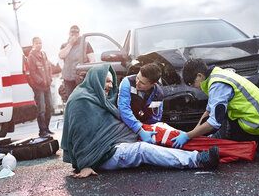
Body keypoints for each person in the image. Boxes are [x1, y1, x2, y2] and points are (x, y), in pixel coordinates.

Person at [61, 64, 220, 179]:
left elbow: (154, 118)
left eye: (111, 81)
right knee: (142, 150)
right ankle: (196, 160)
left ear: (153, 84)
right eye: (107, 81)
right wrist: (85, 164)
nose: (110, 85)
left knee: (162, 132)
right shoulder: (80, 101)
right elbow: (77, 135)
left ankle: (211, 146)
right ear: (95, 80)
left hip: (115, 142)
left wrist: (149, 129)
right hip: (101, 155)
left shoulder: (100, 99)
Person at [171, 58, 259, 149]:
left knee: (227, 144)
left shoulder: (217, 85)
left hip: (256, 122)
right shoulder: (216, 74)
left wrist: (188, 136)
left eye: (192, 83)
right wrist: (194, 132)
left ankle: (251, 141)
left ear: (199, 75)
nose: (192, 86)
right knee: (215, 113)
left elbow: (213, 123)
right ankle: (250, 139)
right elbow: (209, 110)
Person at [118, 63, 164, 144]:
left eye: (142, 83)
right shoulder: (127, 82)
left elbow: (156, 117)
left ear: (153, 84)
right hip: (122, 125)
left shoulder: (159, 95)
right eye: (137, 78)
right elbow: (124, 109)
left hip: (145, 129)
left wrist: (145, 129)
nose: (137, 83)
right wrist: (139, 130)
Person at [58, 25, 96, 100]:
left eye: (76, 34)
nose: (74, 36)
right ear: (69, 33)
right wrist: (70, 44)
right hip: (68, 79)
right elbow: (61, 55)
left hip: (82, 78)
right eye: (72, 34)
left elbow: (93, 60)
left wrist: (87, 73)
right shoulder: (64, 45)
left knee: (83, 99)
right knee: (71, 99)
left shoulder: (86, 44)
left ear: (79, 34)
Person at [27, 37, 54, 137]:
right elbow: (32, 72)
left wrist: (50, 78)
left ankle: (47, 128)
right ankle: (42, 131)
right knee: (41, 109)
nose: (39, 45)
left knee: (50, 107)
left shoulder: (44, 54)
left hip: (47, 86)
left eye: (40, 43)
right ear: (33, 44)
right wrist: (41, 81)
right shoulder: (31, 57)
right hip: (39, 87)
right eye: (37, 43)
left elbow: (49, 67)